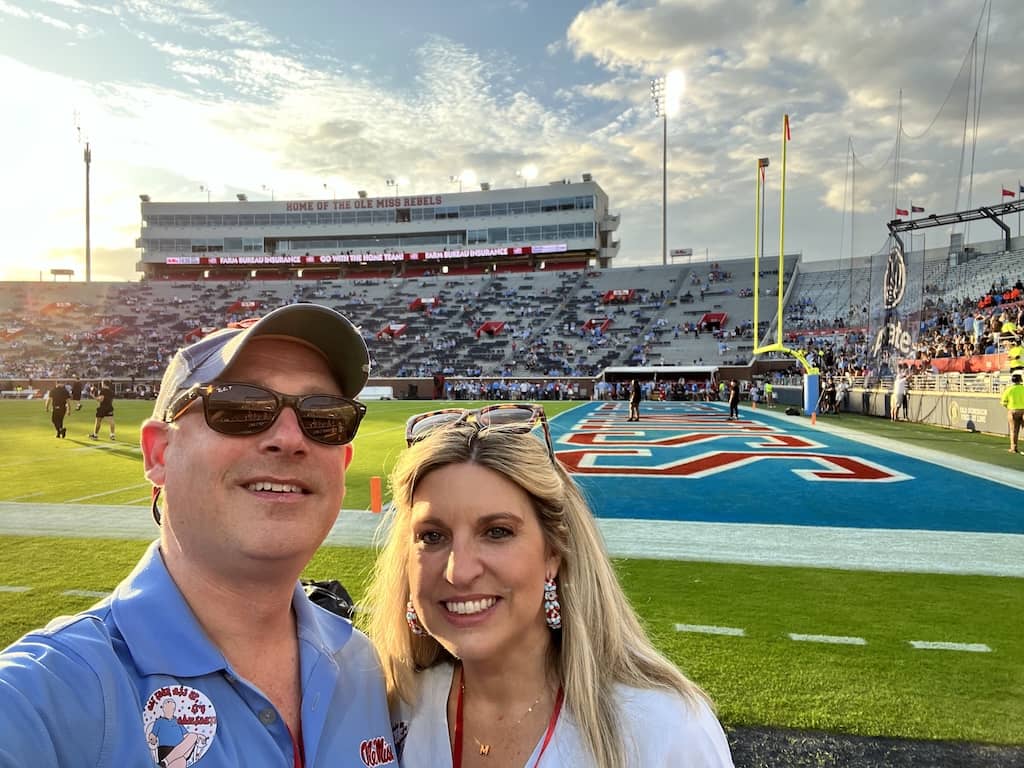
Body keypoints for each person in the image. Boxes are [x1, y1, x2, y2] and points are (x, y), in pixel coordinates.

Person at [0, 304, 397, 767]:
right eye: (239, 407)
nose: (290, 438)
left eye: (324, 416)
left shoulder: (363, 663)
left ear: (341, 465)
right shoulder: (45, 696)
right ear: (159, 454)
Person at [363, 404, 733, 768]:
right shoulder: (390, 710)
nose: (459, 572)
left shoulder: (664, 731)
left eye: (497, 532)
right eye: (432, 536)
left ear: (553, 552)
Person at [1000, 373, 1024, 453]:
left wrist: (1009, 408)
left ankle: (1013, 448)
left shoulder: (1009, 389)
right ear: (1021, 380)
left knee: (1013, 430)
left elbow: (1003, 402)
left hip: (1013, 411)